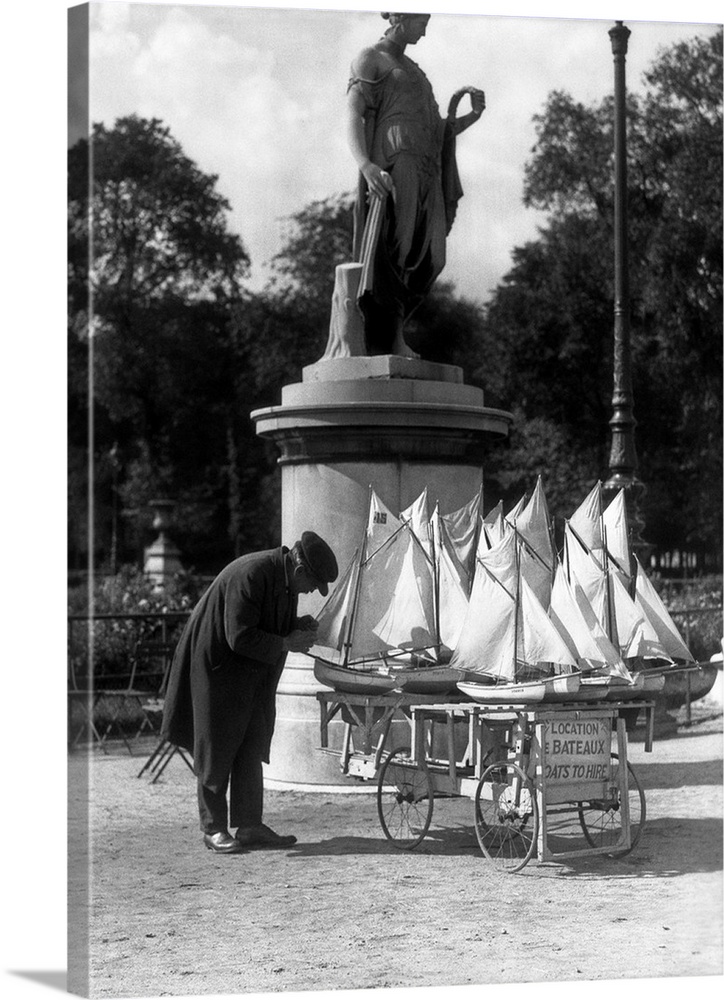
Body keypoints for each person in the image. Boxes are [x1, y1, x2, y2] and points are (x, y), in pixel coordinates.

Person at [161, 531, 338, 854]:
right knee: (216, 745)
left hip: (248, 671)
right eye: (313, 585)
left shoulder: (285, 578)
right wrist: (286, 643)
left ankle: (250, 826)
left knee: (251, 740)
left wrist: (295, 626)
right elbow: (239, 635)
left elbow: (266, 622)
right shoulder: (252, 573)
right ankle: (213, 829)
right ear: (300, 571)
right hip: (217, 669)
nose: (312, 591)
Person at [346, 12, 485, 357]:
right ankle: (390, 340)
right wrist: (365, 164)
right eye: (421, 21)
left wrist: (472, 117)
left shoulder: (417, 71)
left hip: (426, 166)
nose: (425, 29)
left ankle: (389, 333)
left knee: (433, 257)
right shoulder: (370, 58)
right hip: (397, 162)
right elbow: (353, 112)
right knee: (397, 250)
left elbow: (439, 130)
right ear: (401, 16)